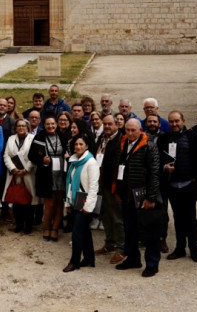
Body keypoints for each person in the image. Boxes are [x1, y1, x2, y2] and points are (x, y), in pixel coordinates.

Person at [116, 118, 164, 277]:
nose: (129, 133)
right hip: (128, 196)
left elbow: (155, 173)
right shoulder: (123, 143)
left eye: (133, 130)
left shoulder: (149, 146)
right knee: (130, 229)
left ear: (140, 130)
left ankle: (152, 263)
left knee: (150, 231)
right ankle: (133, 258)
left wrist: (151, 197)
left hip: (143, 196)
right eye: (127, 130)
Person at [160, 111, 197, 262]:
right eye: (171, 121)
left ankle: (194, 248)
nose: (174, 124)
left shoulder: (193, 137)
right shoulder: (164, 139)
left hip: (189, 184)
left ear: (183, 120)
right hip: (172, 185)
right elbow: (158, 159)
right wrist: (165, 168)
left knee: (191, 217)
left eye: (177, 121)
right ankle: (180, 248)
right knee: (178, 217)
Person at [63, 135, 99, 272]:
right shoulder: (74, 161)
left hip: (85, 202)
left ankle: (74, 262)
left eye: (81, 144)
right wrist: (68, 202)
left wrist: (88, 207)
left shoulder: (91, 162)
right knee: (84, 231)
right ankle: (89, 258)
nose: (78, 147)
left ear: (87, 146)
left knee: (77, 233)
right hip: (75, 200)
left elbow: (93, 186)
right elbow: (70, 184)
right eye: (76, 144)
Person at [94, 113, 125, 261]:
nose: (106, 126)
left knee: (117, 218)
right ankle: (109, 243)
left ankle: (121, 247)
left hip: (113, 185)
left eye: (109, 124)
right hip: (101, 184)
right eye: (104, 124)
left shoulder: (120, 140)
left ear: (116, 125)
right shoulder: (102, 139)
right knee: (105, 215)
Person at [31, 115, 67, 242]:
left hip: (61, 173)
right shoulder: (39, 137)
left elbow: (68, 151)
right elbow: (31, 155)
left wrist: (67, 155)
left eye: (53, 124)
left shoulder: (62, 136)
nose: (50, 126)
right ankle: (46, 227)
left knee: (59, 202)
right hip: (47, 174)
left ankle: (55, 229)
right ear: (44, 125)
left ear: (56, 125)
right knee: (50, 203)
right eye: (48, 124)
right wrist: (42, 160)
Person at [2, 118, 37, 234]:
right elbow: (6, 155)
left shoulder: (32, 139)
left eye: (23, 126)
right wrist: (13, 168)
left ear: (27, 127)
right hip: (14, 173)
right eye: (19, 126)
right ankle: (19, 224)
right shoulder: (11, 139)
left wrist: (26, 169)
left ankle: (28, 225)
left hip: (28, 174)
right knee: (16, 199)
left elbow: (34, 156)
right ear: (15, 128)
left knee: (28, 200)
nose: (21, 128)